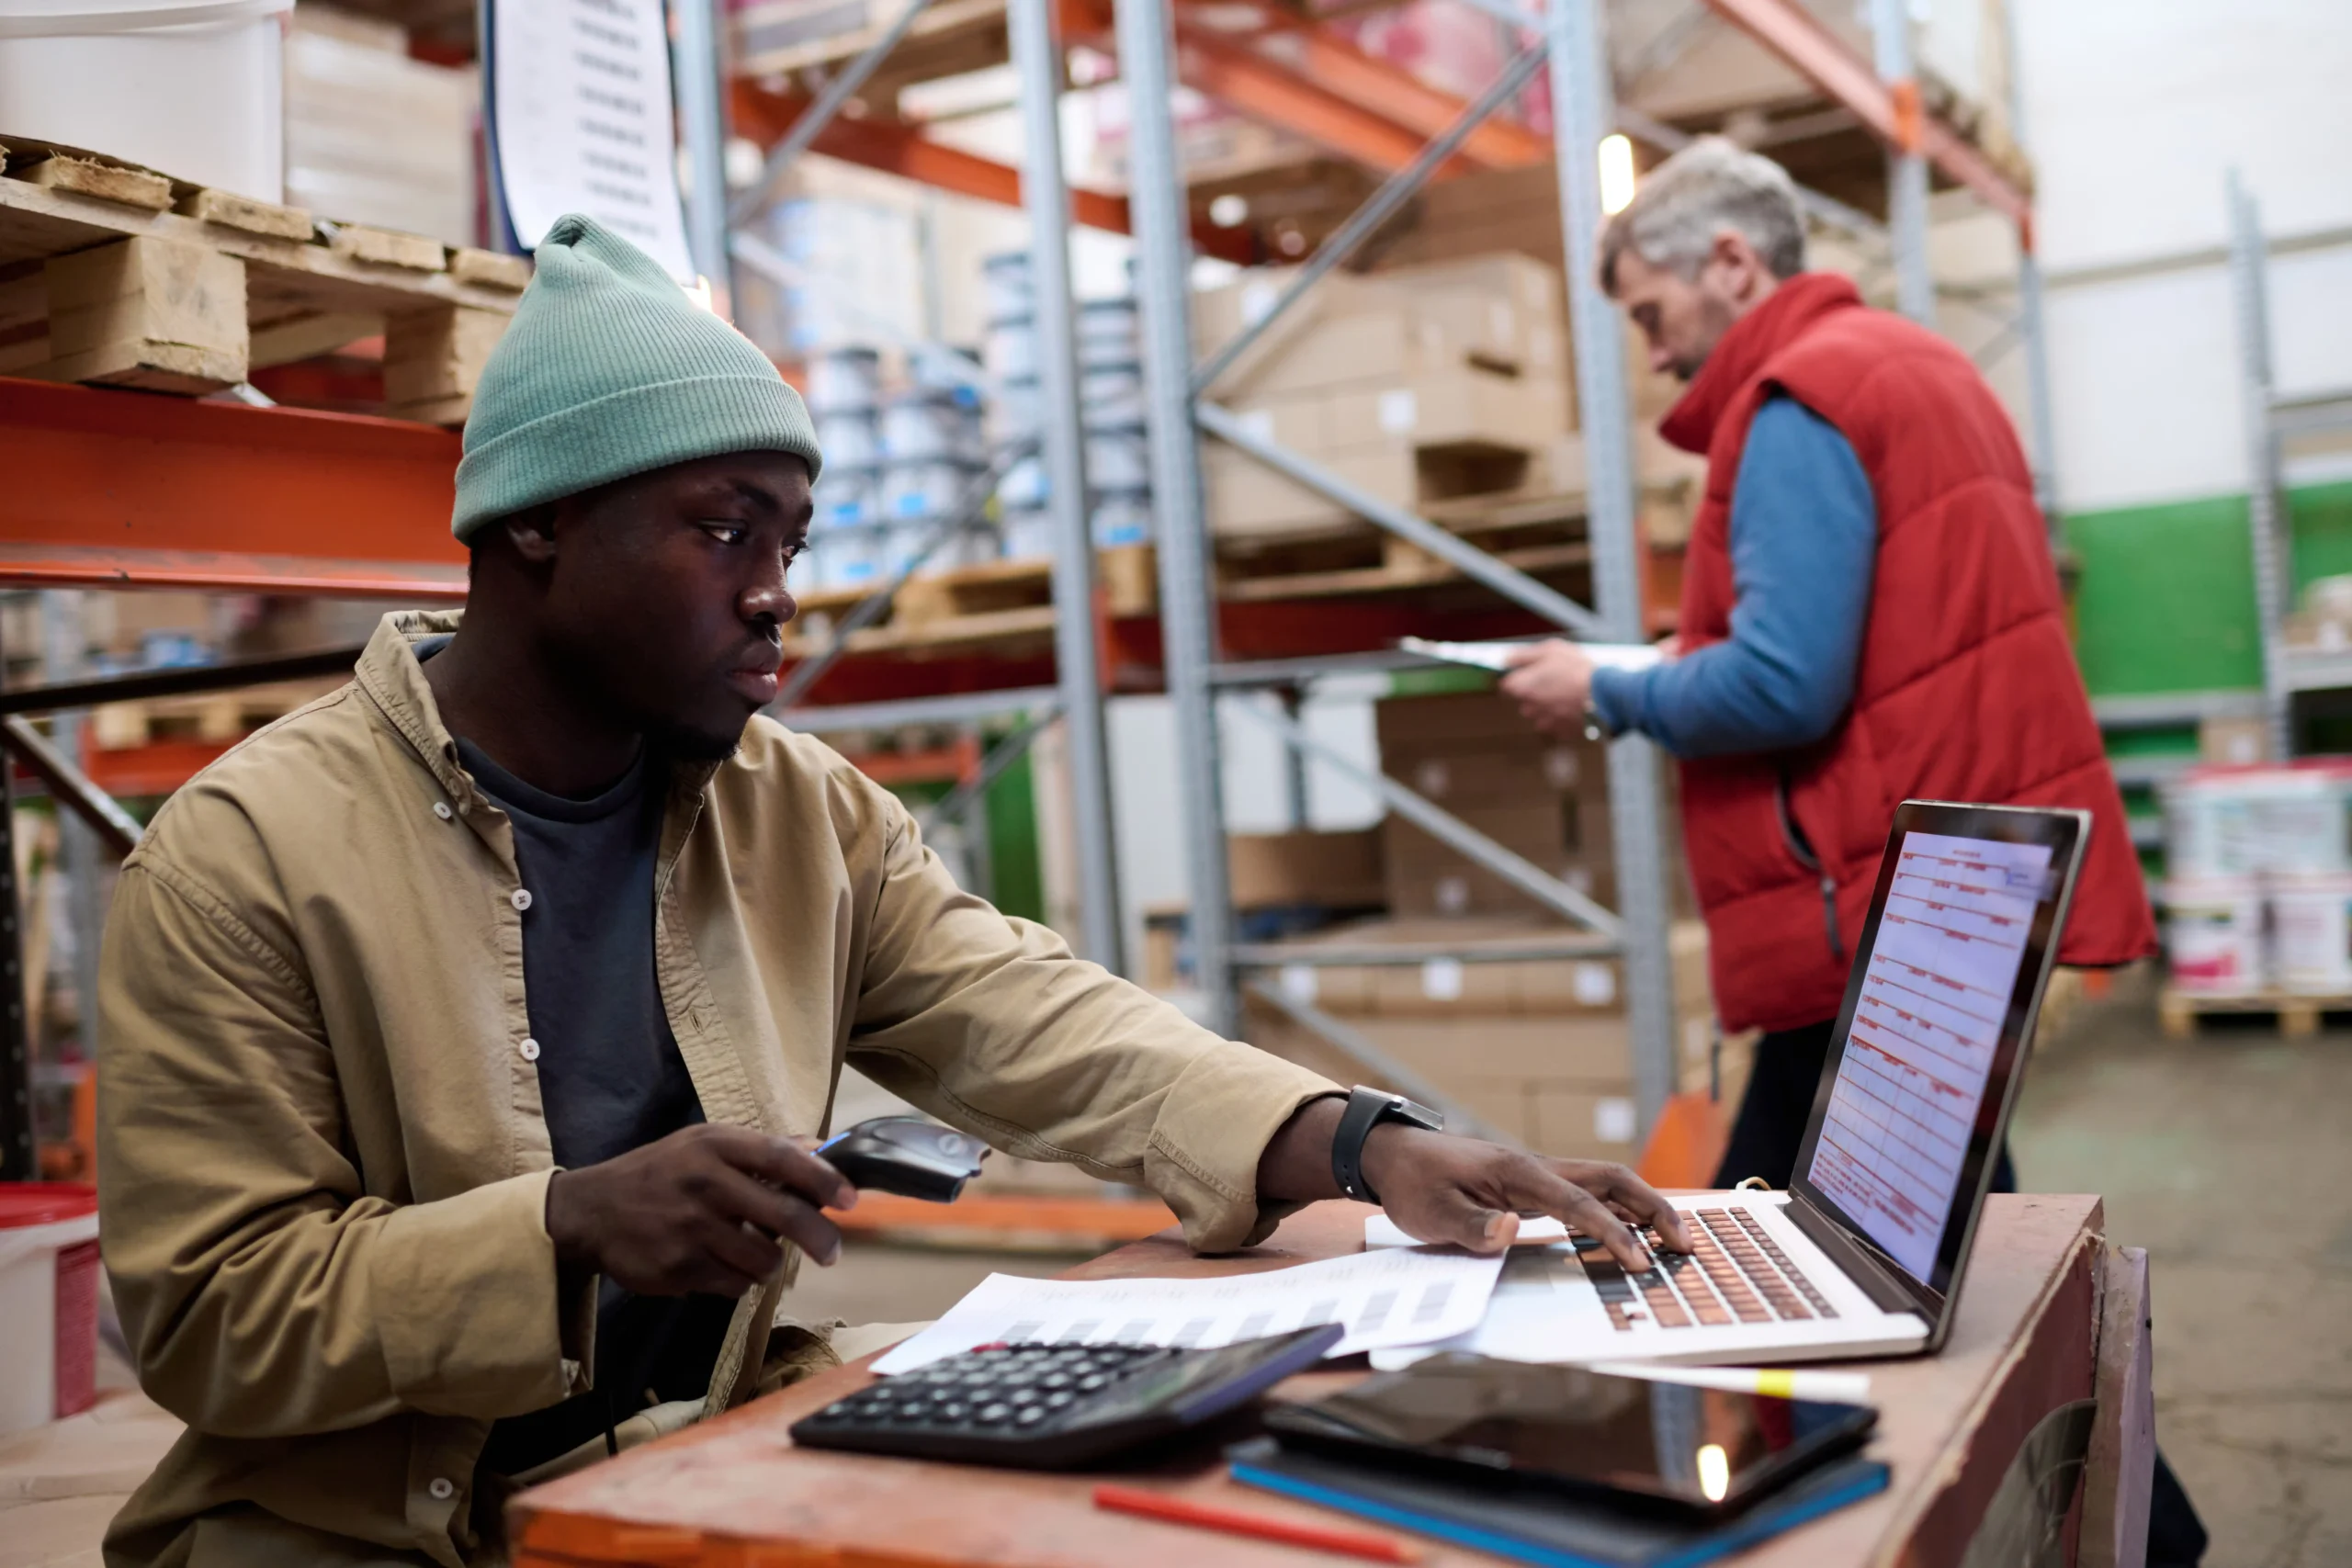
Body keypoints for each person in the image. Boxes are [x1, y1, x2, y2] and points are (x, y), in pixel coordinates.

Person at [93, 215, 1687, 1568]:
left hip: (693, 1467)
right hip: (374, 1528)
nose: (777, 587)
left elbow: (1044, 1022)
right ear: (536, 528)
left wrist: (1361, 1137)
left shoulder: (796, 813)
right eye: (722, 529)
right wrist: (567, 1229)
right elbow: (212, 1316)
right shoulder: (247, 857)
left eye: (791, 533)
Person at [1499, 143, 2207, 1566]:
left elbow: (1784, 684)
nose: (1651, 356)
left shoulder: (1796, 398)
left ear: (1733, 267)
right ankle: (2141, 1529)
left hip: (1868, 918)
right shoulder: (1913, 365)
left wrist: (1613, 687)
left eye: (1649, 314)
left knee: (1761, 1274)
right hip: (1933, 909)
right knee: (1938, 1273)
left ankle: (2087, 1535)